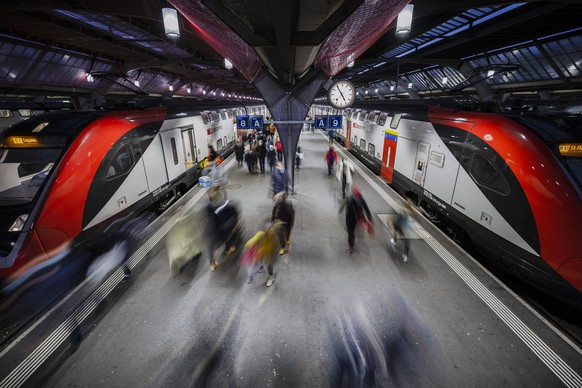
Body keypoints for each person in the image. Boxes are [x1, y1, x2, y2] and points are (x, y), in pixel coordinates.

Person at [203, 186, 241, 271]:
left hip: (211, 232)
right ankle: (228, 249)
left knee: (211, 247)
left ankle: (212, 264)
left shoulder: (208, 207)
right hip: (221, 230)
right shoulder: (227, 206)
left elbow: (204, 218)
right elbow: (232, 217)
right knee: (227, 238)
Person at [240, 220, 284, 287]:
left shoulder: (273, 237)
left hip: (269, 252)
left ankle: (271, 278)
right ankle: (258, 269)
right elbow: (255, 239)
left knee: (269, 265)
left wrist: (270, 255)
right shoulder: (262, 233)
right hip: (262, 250)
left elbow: (274, 248)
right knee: (256, 262)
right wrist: (249, 245)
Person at [339, 187, 373, 254]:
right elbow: (366, 209)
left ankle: (350, 247)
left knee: (350, 232)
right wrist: (370, 219)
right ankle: (352, 238)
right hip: (357, 217)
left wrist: (340, 210)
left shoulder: (349, 198)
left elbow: (342, 205)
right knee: (353, 229)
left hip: (349, 218)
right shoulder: (361, 199)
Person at [271, 191, 295, 256]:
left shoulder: (289, 205)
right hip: (280, 222)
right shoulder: (276, 205)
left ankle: (287, 239)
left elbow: (292, 214)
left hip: (287, 221)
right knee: (280, 235)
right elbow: (273, 214)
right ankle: (283, 248)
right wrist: (272, 222)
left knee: (287, 232)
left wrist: (292, 222)